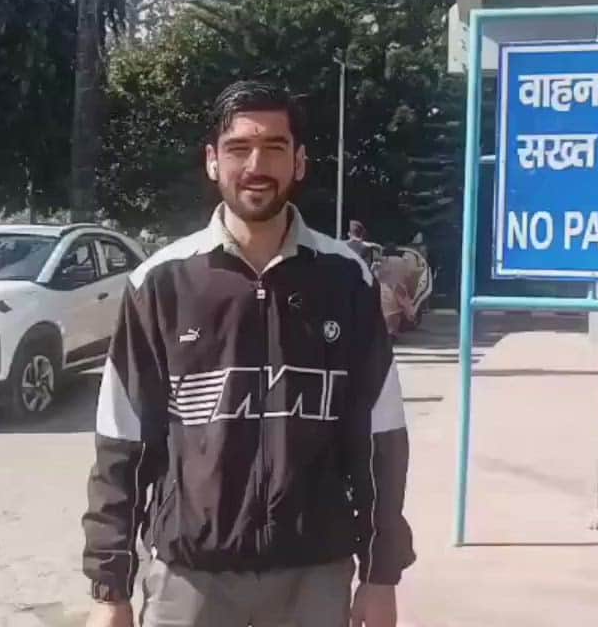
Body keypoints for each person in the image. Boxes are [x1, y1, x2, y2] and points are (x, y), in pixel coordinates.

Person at [82, 80, 414, 627]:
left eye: (274, 148)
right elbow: (123, 446)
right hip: (189, 581)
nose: (256, 164)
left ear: (300, 162)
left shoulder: (345, 279)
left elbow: (379, 440)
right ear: (213, 161)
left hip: (315, 578)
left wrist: (381, 575)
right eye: (238, 148)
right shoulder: (160, 284)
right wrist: (108, 588)